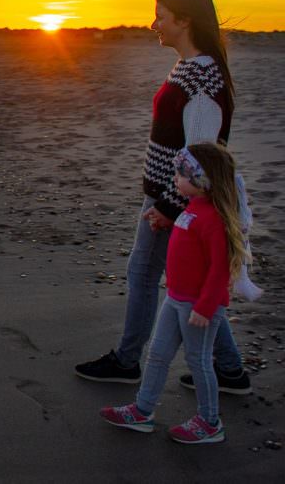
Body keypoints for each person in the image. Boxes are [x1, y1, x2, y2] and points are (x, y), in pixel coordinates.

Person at [75, 0, 251, 394]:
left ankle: (127, 361)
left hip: (178, 202)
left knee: (146, 274)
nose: (154, 24)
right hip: (169, 197)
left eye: (161, 16)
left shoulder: (202, 78)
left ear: (185, 20)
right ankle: (228, 369)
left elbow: (203, 157)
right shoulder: (188, 68)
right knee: (183, 281)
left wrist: (170, 209)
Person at [99, 143, 248, 444]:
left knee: (199, 360)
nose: (175, 179)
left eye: (181, 174)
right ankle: (142, 410)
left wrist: (205, 307)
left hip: (199, 305)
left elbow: (219, 269)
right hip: (176, 298)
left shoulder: (213, 219)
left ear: (202, 179)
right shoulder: (190, 207)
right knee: (157, 354)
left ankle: (209, 422)